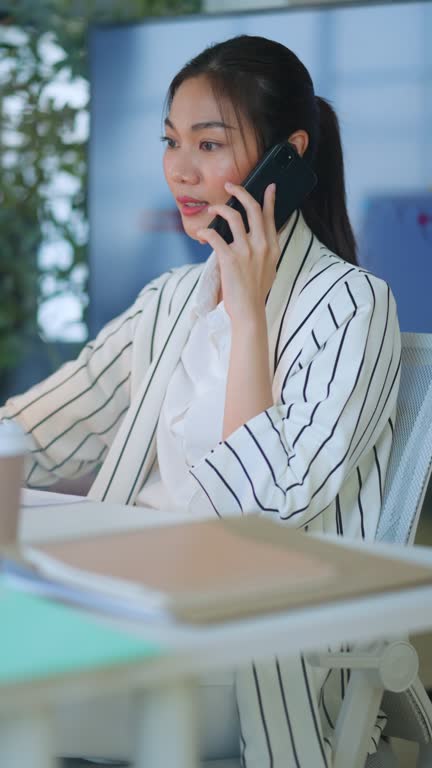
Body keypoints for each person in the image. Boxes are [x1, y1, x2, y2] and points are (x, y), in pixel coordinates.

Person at [1, 35, 400, 766]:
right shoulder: (172, 298)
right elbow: (39, 429)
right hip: (132, 608)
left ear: (290, 153)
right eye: (171, 141)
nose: (180, 170)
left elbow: (267, 514)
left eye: (210, 144)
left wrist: (248, 317)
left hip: (251, 652)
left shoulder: (350, 305)